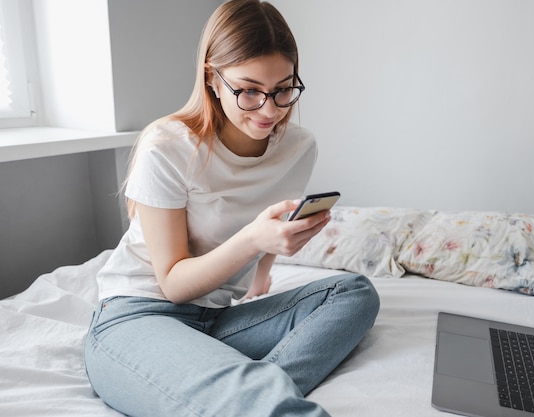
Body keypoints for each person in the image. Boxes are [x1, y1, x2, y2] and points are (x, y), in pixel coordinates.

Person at [83, 1, 380, 416]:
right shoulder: (168, 147)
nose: (271, 109)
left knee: (353, 292)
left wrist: (263, 270)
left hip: (217, 320)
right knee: (263, 405)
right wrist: (251, 241)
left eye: (283, 89)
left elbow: (272, 212)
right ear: (212, 78)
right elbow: (173, 284)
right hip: (139, 315)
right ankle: (245, 396)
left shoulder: (298, 146)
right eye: (249, 90)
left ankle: (225, 389)